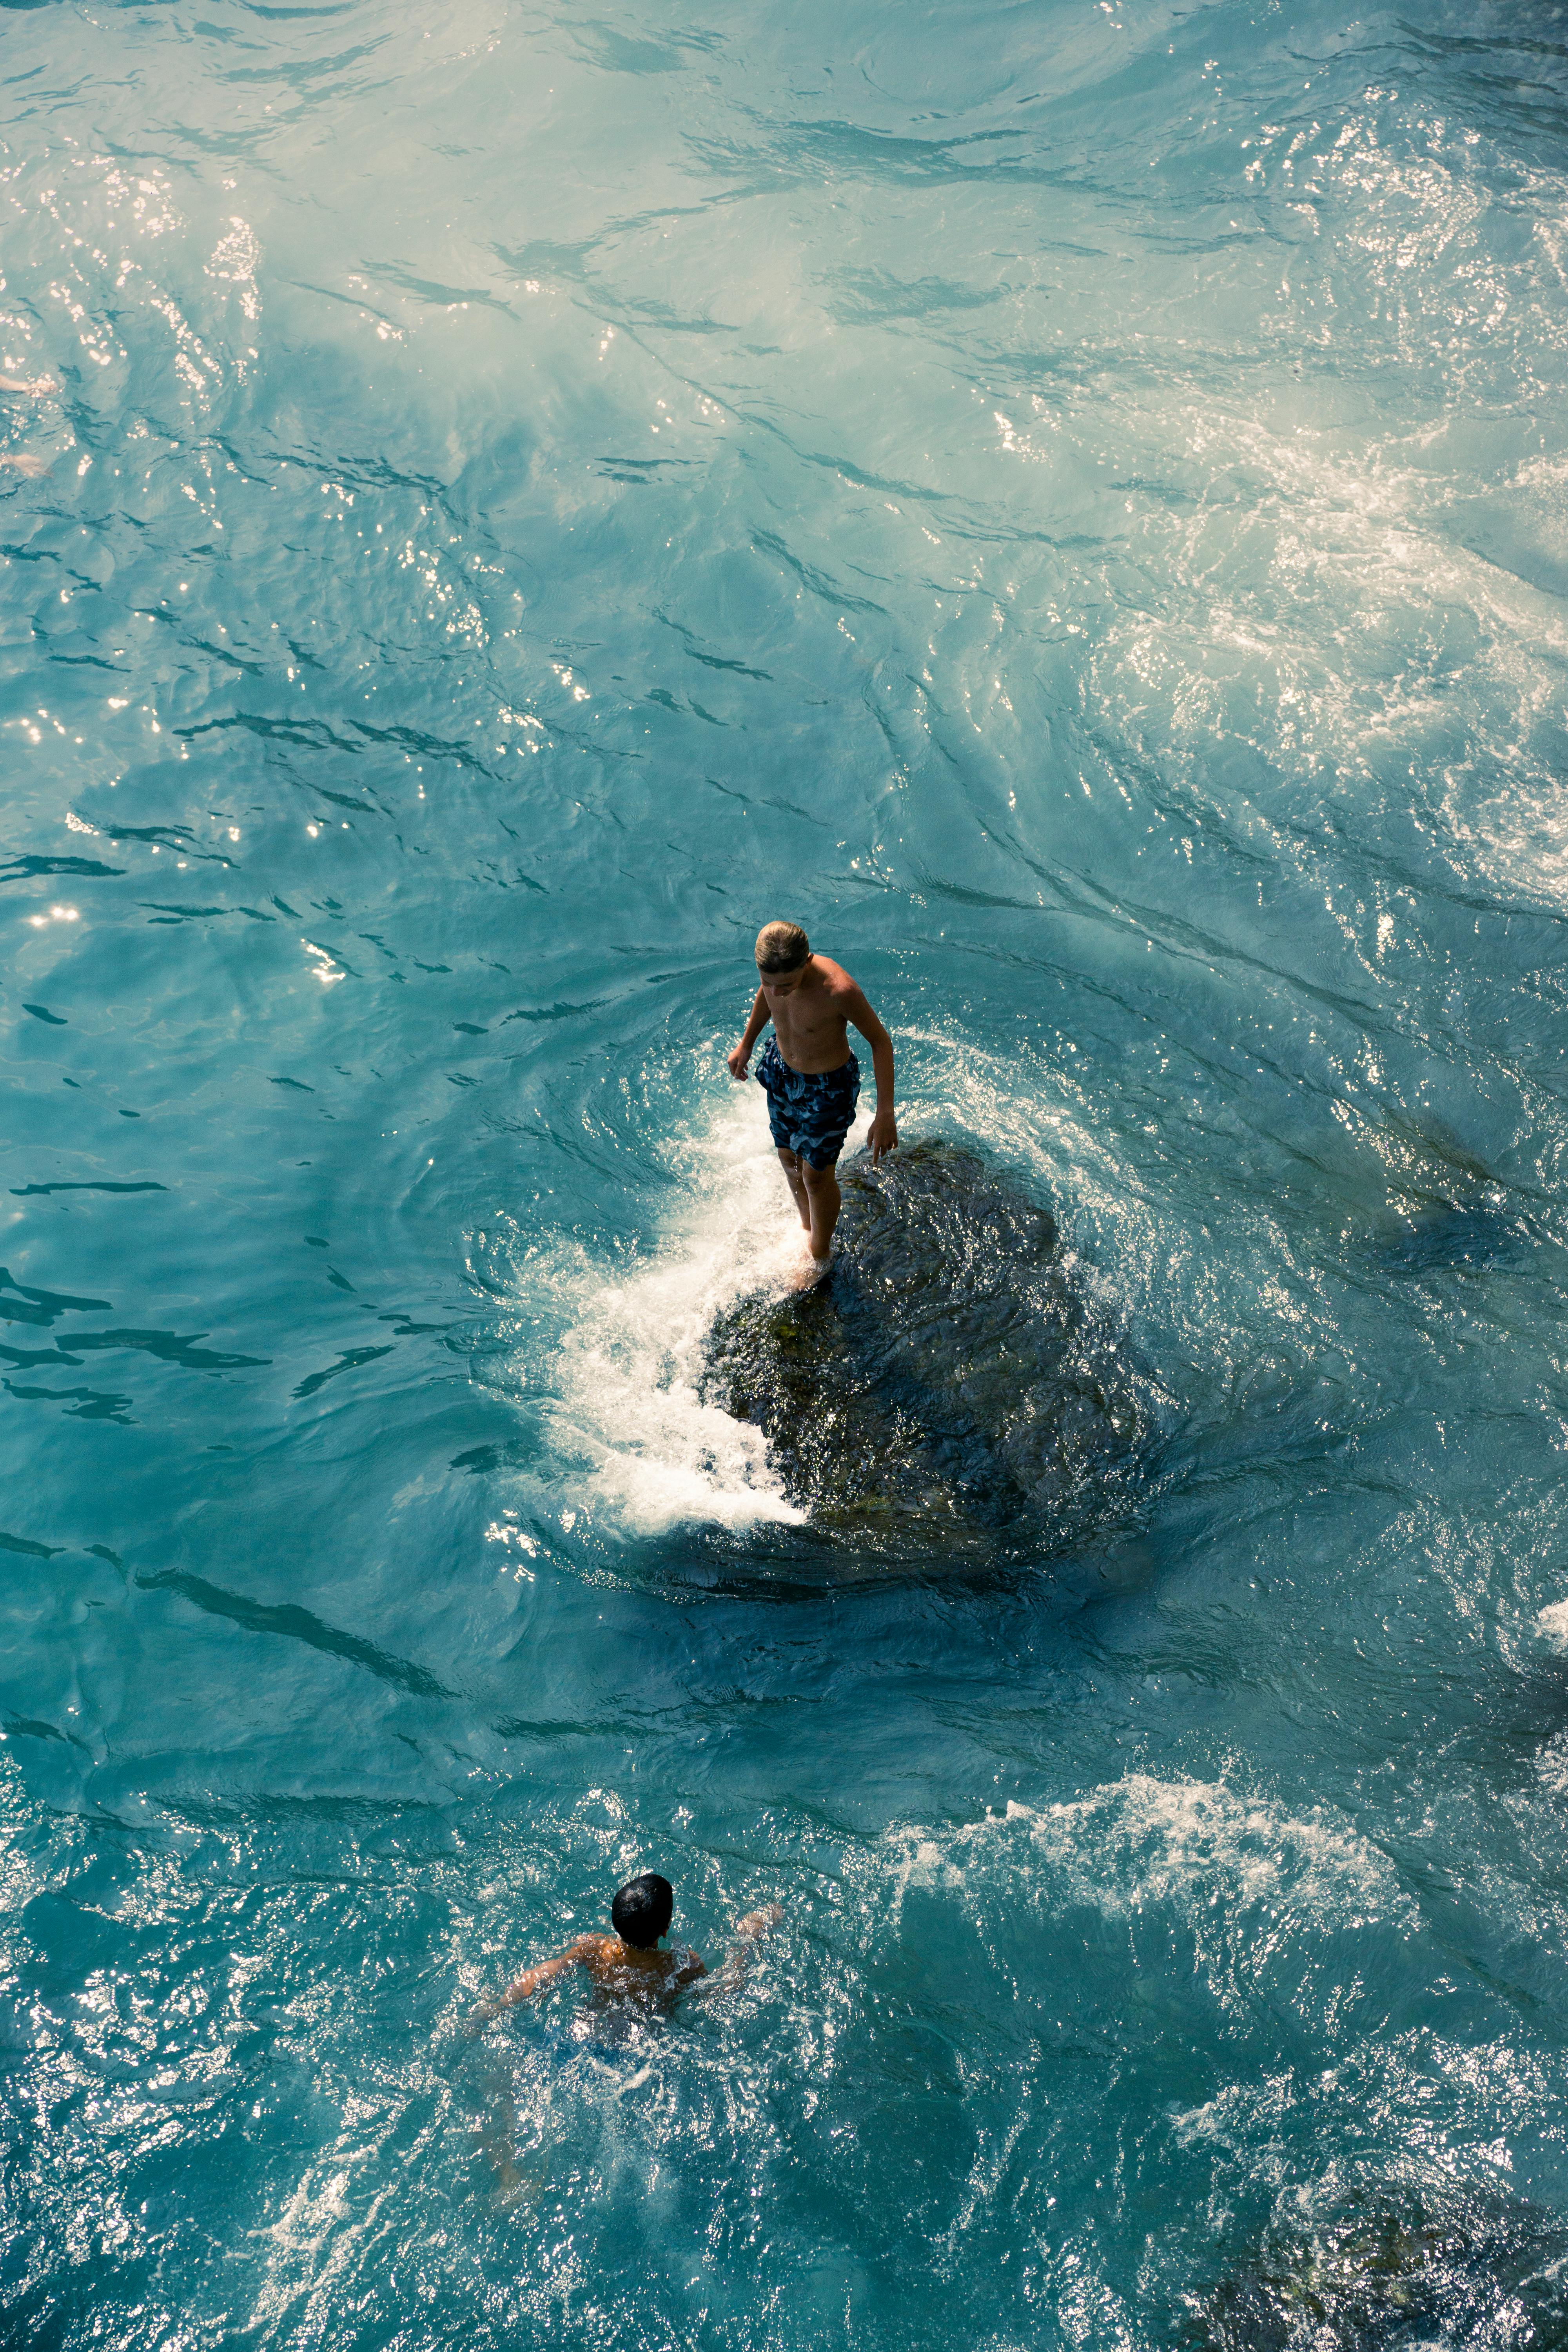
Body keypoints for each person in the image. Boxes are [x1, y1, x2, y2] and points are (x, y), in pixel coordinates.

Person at [727, 921, 897, 1276]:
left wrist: (885, 1114)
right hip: (783, 1072)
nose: (778, 992)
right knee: (789, 1158)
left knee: (816, 1177)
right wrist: (747, 1043)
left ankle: (819, 1255)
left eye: (786, 985)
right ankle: (807, 1229)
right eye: (768, 982)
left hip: (827, 1088)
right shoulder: (776, 978)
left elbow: (881, 1042)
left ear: (806, 961)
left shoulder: (838, 990)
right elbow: (767, 994)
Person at [468, 1872, 782, 2025]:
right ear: (665, 1928)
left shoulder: (593, 1948)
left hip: (584, 2036)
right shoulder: (679, 1965)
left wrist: (491, 2009)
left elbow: (539, 1978)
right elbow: (723, 1993)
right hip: (638, 2058)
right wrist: (751, 1939)